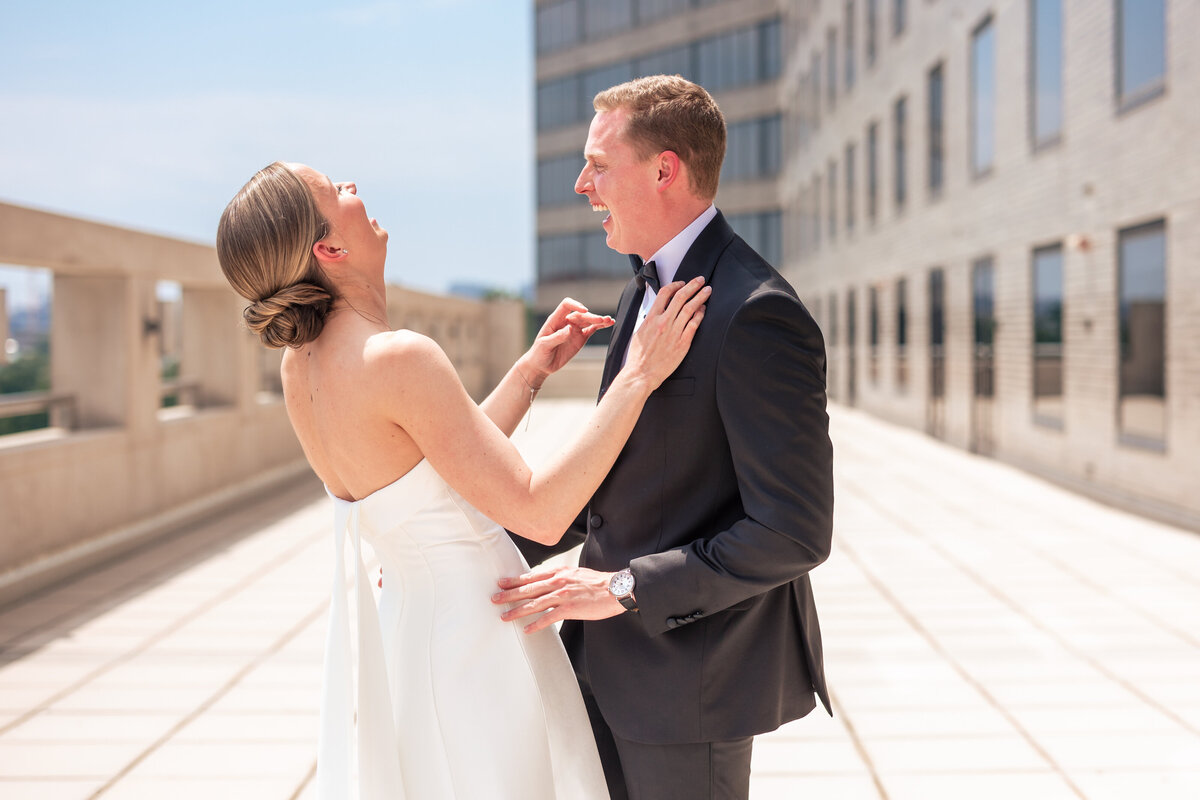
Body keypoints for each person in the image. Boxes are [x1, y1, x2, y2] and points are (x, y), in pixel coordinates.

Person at [215, 161, 709, 799]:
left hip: (413, 636)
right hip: (479, 645)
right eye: (337, 190)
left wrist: (529, 372)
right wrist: (638, 374)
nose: (354, 187)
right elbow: (539, 511)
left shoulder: (301, 366)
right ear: (329, 250)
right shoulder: (398, 357)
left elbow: (434, 468)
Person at [491, 75, 835, 800]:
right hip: (600, 669)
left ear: (664, 170)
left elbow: (792, 532)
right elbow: (621, 485)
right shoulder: (640, 291)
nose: (582, 184)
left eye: (598, 164)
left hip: (691, 690)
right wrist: (468, 555)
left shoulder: (758, 313)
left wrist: (622, 588)